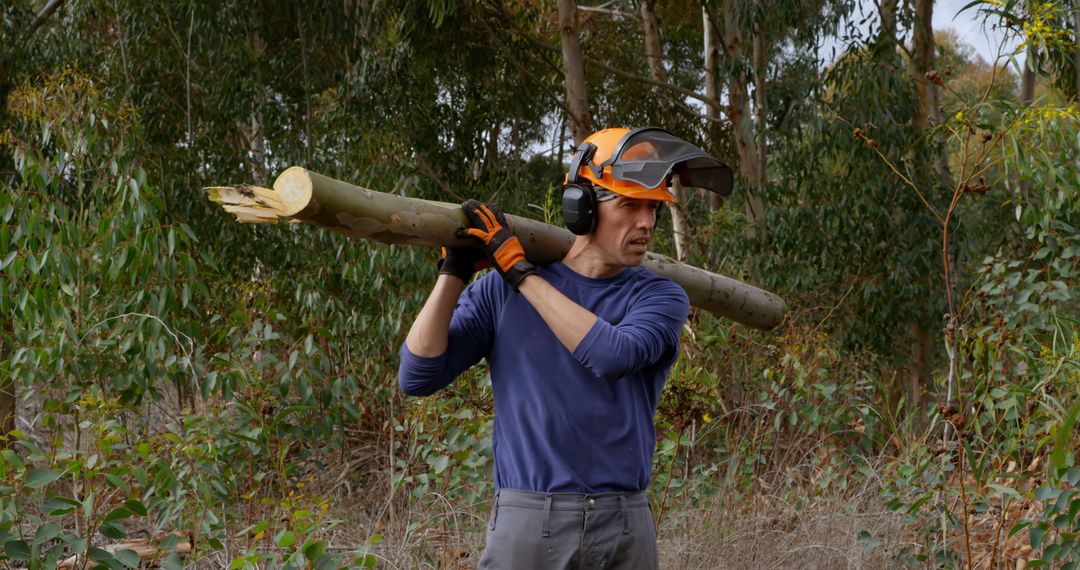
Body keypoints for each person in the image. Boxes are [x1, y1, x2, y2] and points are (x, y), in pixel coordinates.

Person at [397, 127, 733, 569]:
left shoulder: (659, 297)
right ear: (583, 207)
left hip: (623, 527)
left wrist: (521, 272)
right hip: (526, 523)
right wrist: (453, 274)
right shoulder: (501, 292)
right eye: (630, 205)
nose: (647, 223)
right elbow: (417, 376)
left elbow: (612, 355)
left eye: (652, 207)